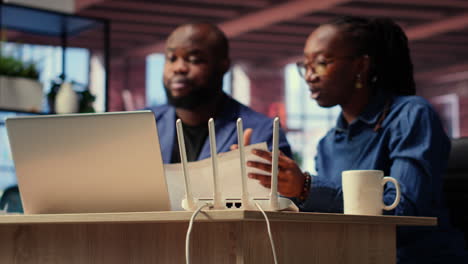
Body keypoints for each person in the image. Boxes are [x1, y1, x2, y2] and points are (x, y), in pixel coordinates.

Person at [246, 16, 467, 263]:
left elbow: (404, 214)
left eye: (320, 63)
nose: (309, 76)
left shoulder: (411, 115)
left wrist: (307, 187)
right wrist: (263, 179)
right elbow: (330, 220)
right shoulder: (328, 144)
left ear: (361, 66)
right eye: (305, 66)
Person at [147, 23, 292, 163]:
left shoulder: (261, 132)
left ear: (223, 65)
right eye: (171, 58)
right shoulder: (142, 125)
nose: (178, 68)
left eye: (194, 60)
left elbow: (286, 186)